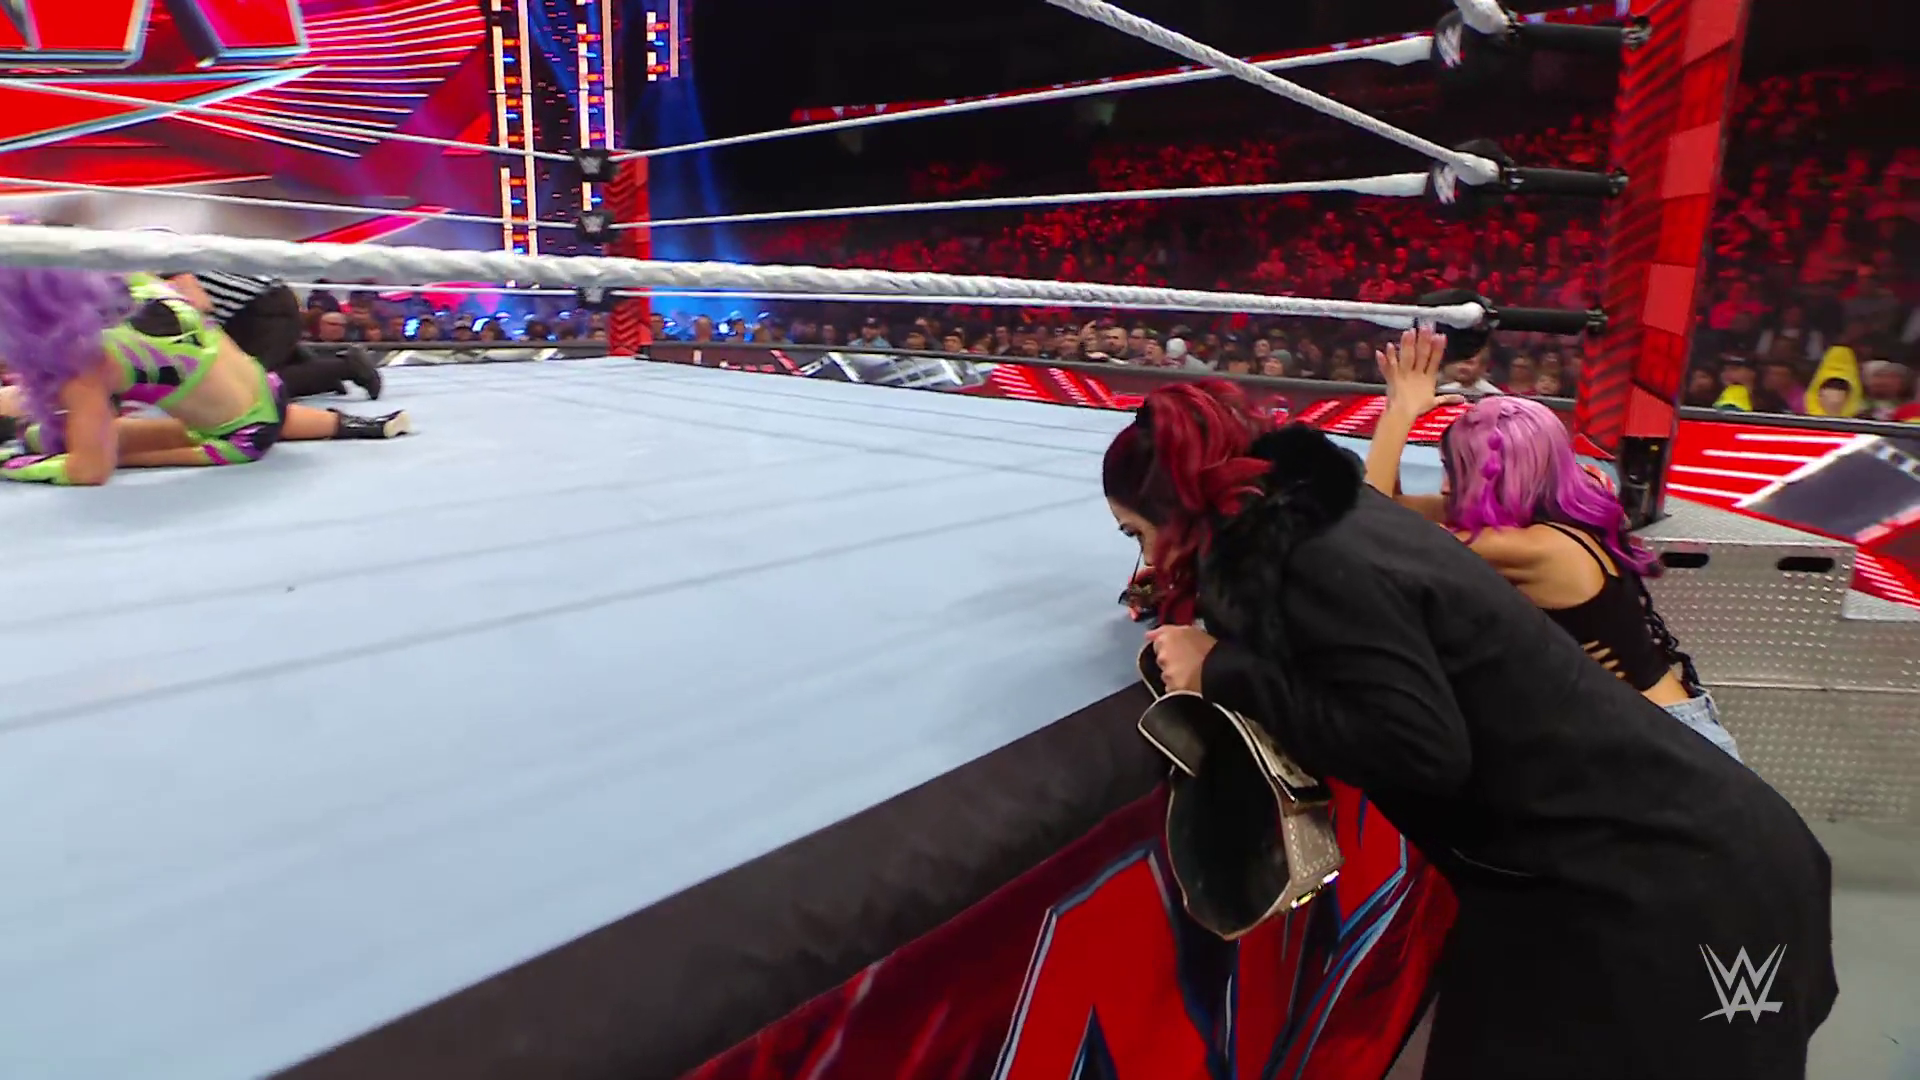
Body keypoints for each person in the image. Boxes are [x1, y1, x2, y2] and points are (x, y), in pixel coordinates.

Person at [1104, 380, 1835, 1080]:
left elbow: (1419, 746)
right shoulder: (1338, 523)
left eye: (1141, 534)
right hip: (1646, 858)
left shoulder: (1319, 560)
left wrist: (1222, 670)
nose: (1149, 559)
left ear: (1189, 513)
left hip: (1670, 891)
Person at [1365, 327, 1740, 760]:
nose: (1446, 485)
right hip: (1662, 732)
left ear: (1497, 476)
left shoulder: (1535, 548)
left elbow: (1372, 526)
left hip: (1665, 748)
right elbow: (1391, 507)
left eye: (1455, 468)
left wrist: (1401, 414)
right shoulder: (1550, 513)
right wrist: (1397, 408)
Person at [0, 267, 408, 486]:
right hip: (268, 393)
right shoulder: (140, 280)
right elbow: (199, 302)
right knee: (221, 404)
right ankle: (360, 425)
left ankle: (19, 444)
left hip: (240, 441)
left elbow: (91, 471)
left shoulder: (83, 360)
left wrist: (18, 467)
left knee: (102, 447)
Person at [163, 270, 383, 400]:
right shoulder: (170, 261)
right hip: (256, 307)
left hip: (262, 309)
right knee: (231, 378)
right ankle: (317, 373)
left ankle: (348, 366)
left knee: (248, 389)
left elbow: (198, 314)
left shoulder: (165, 277)